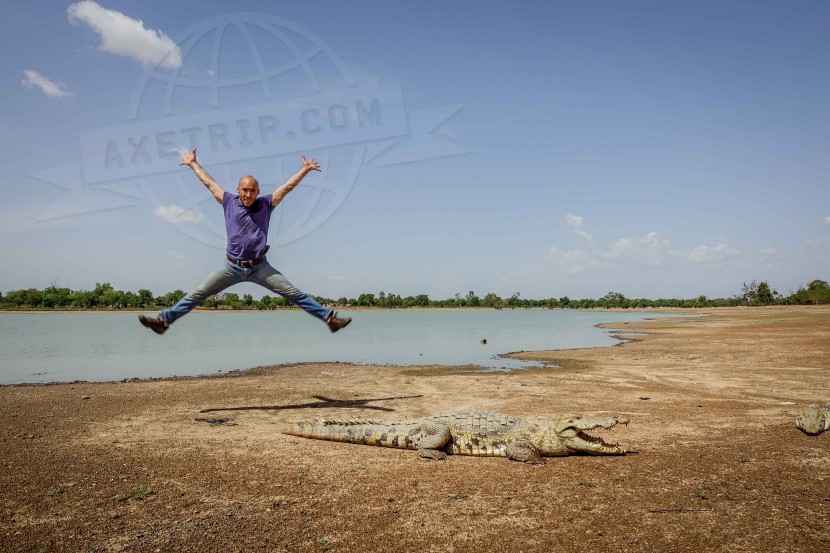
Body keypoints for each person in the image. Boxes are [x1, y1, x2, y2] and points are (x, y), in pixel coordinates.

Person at [138, 148, 351, 335]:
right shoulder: (229, 201)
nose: (248, 194)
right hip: (231, 266)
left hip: (261, 267)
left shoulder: (266, 204)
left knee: (294, 293)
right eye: (244, 190)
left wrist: (305, 170)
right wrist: (193, 163)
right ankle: (163, 321)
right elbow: (209, 183)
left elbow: (286, 188)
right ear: (238, 190)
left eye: (252, 190)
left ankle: (330, 319)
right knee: (200, 292)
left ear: (257, 191)